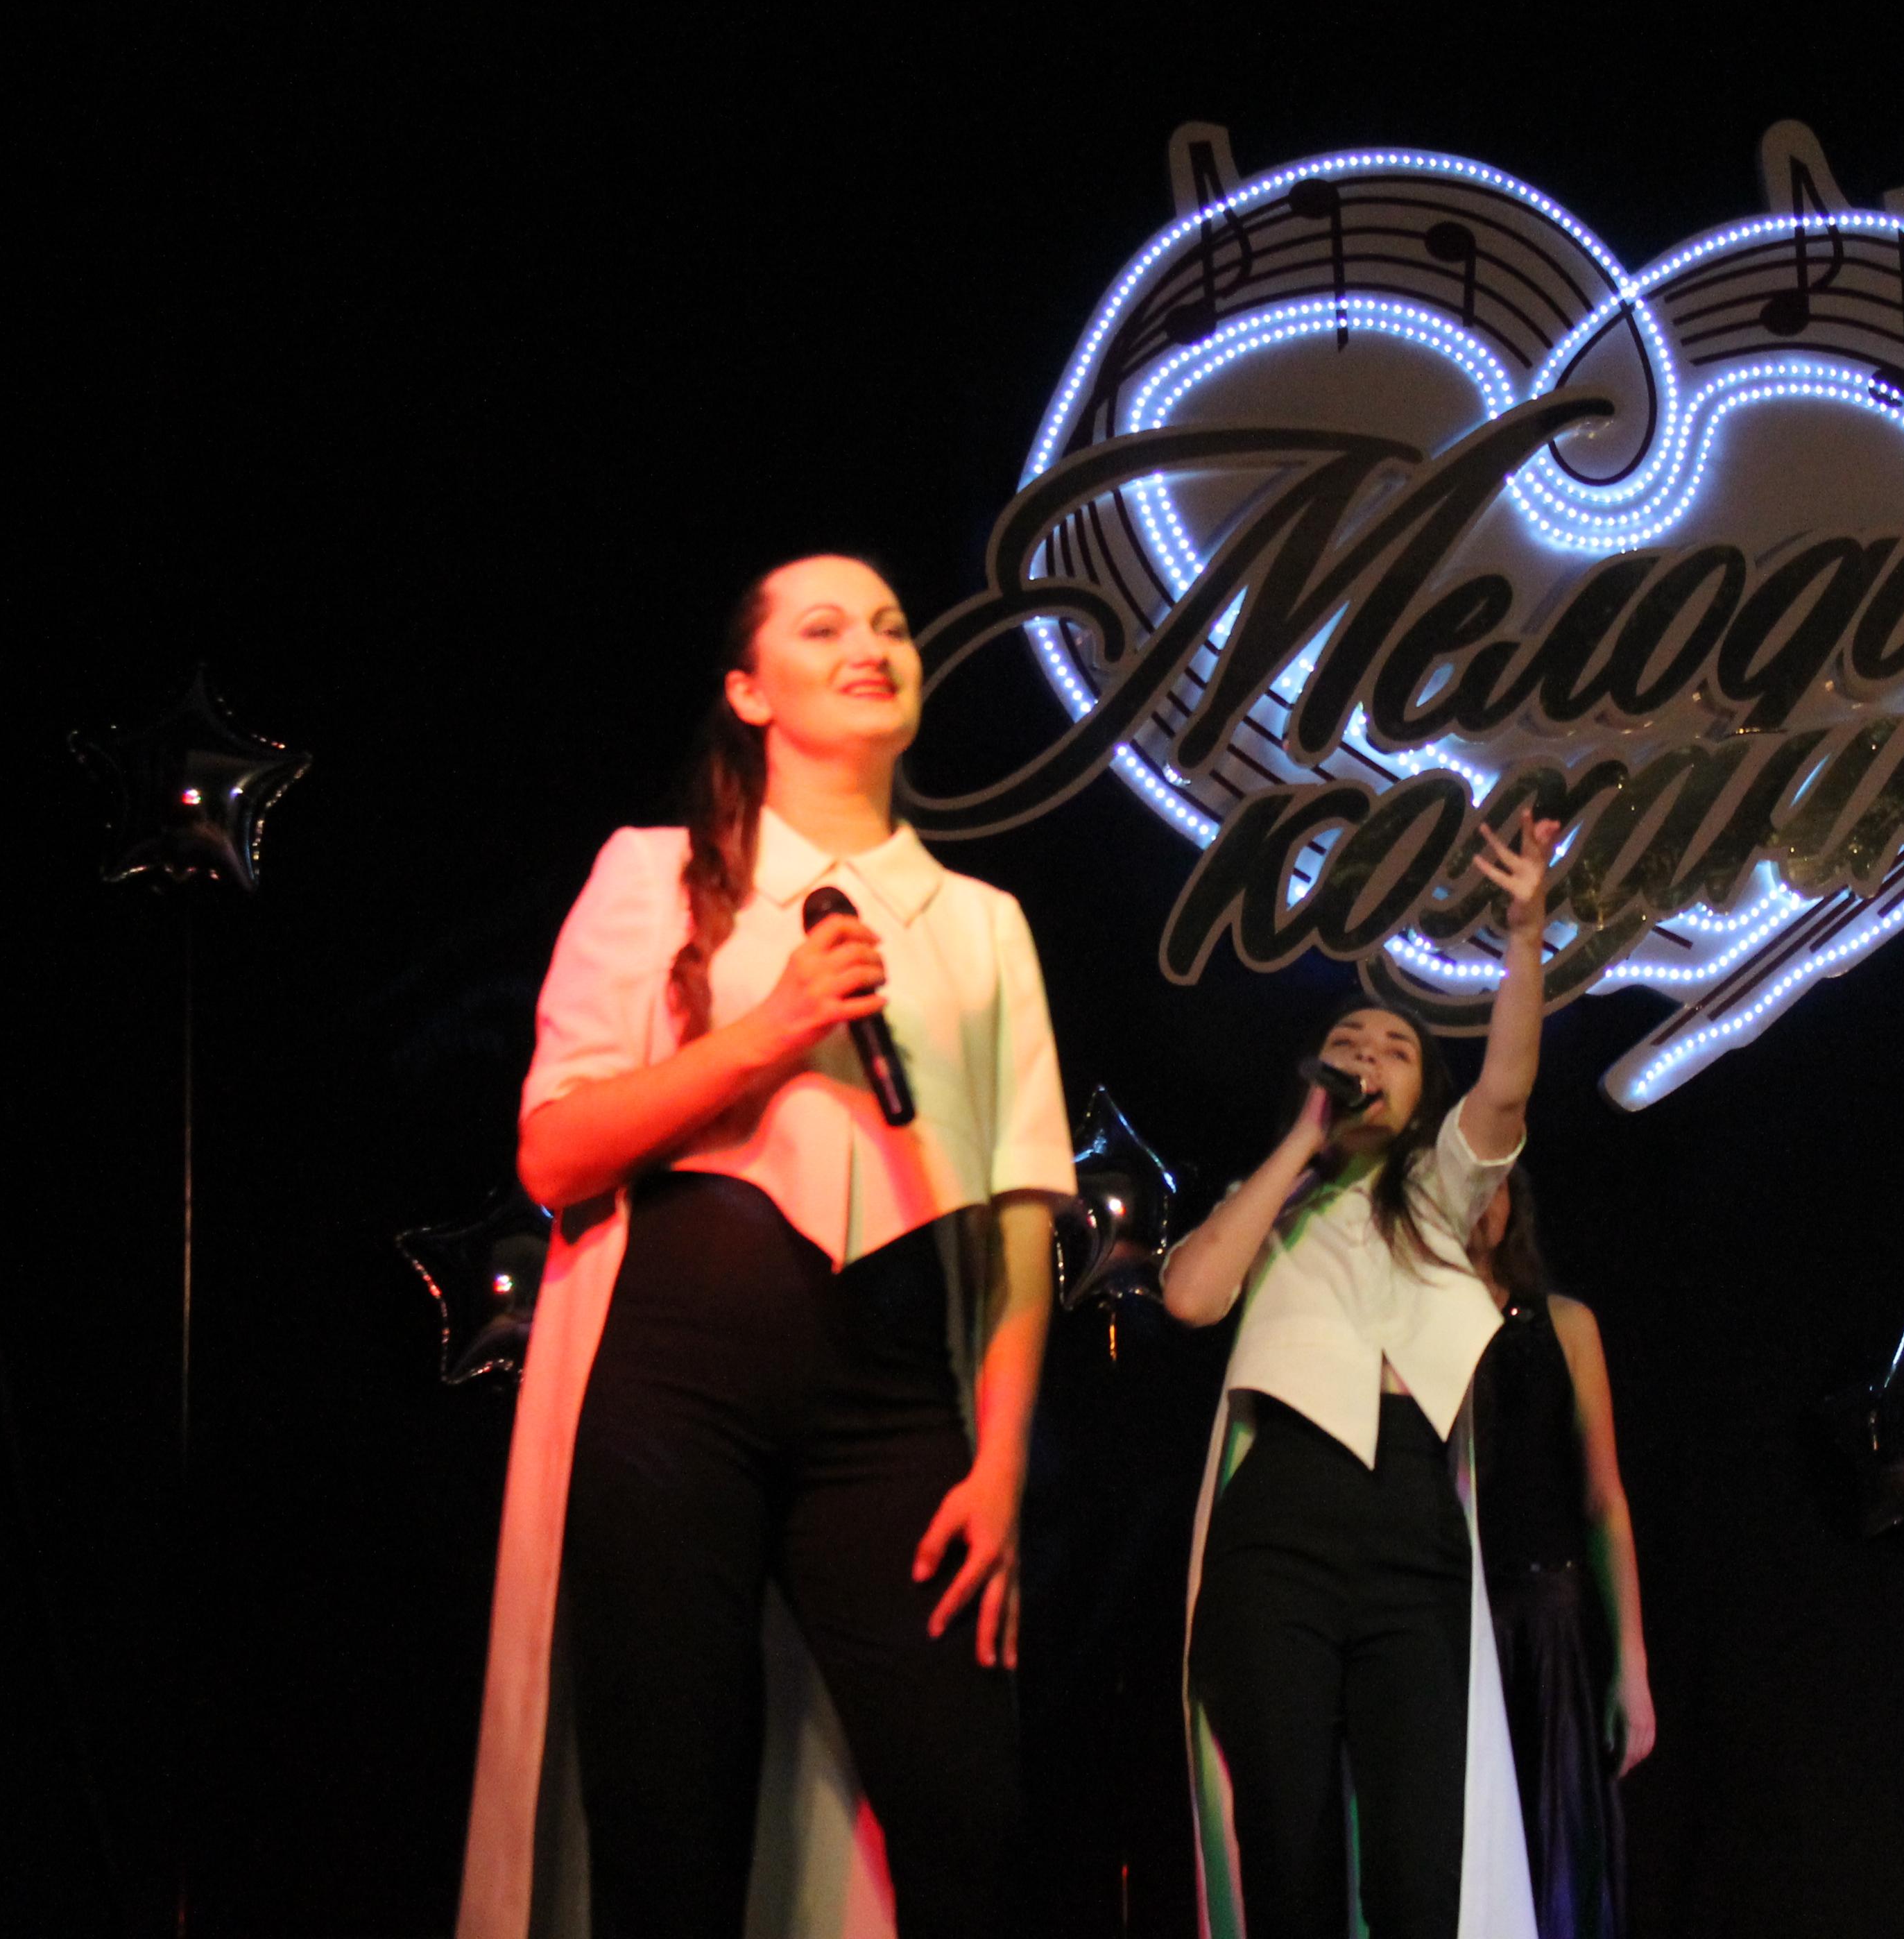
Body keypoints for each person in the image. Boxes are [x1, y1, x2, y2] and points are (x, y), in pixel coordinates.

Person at [456, 555, 1077, 1939]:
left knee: (969, 1810)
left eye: (892, 625)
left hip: (890, 1393)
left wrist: (1000, 1464)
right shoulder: (656, 872)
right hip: (675, 1375)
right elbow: (554, 1152)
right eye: (825, 625)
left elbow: (1023, 1222)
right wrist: (772, 1028)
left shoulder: (982, 923)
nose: (872, 644)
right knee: (669, 1809)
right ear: (749, 690)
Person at [1160, 810, 1561, 1939]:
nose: (1371, 1055)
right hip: (1281, 1518)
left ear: (1425, 1093)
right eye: (1352, 1040)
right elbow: (1190, 1295)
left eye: (1397, 1047)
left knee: (1416, 1868)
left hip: (1408, 1521)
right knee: (1286, 1847)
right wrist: (1303, 1137)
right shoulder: (1275, 1207)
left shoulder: (1437, 1191)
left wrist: (1523, 934)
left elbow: (1507, 1087)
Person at [1468, 1166, 1652, 1939]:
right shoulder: (1411, 1325)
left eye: (1498, 1183)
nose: (1484, 1201)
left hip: (1550, 1624)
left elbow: (1604, 1500)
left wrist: (1631, 1665)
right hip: (1455, 1625)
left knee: (1560, 1872)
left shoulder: (1565, 1324)